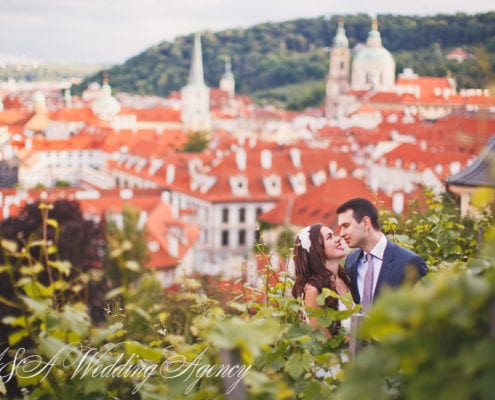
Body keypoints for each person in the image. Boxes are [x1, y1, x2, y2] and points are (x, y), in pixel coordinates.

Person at [336, 198, 428, 311]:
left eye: (346, 226)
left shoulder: (409, 262)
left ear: (366, 223)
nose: (341, 233)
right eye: (340, 228)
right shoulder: (351, 260)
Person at [292, 223, 353, 336]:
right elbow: (321, 340)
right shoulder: (313, 290)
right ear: (316, 249)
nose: (338, 239)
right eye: (330, 237)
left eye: (334, 235)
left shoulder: (347, 278)